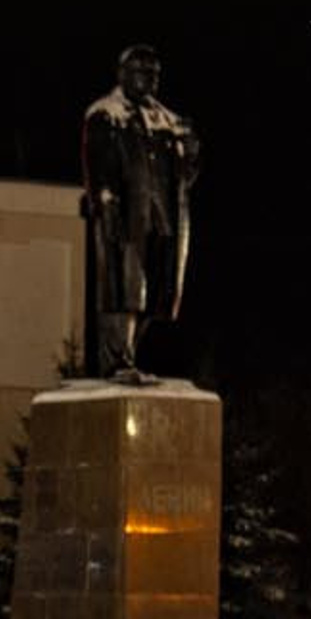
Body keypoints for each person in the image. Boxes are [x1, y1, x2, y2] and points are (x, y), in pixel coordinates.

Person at [82, 45, 199, 380]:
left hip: (162, 219)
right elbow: (98, 167)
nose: (149, 80)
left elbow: (186, 177)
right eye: (141, 72)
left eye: (154, 74)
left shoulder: (168, 121)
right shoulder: (106, 114)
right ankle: (116, 360)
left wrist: (191, 153)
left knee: (155, 293)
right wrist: (106, 203)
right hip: (126, 215)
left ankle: (130, 354)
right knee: (123, 289)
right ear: (123, 74)